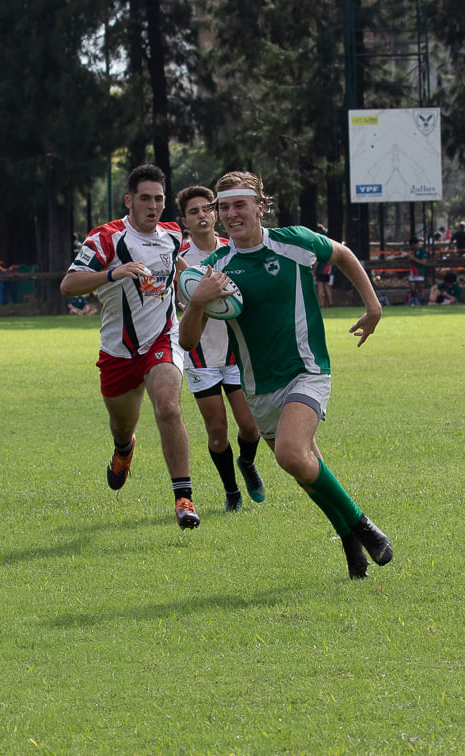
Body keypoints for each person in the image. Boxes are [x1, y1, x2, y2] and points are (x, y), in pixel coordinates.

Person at [179, 170, 393, 579]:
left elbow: (343, 254)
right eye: (224, 207)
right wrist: (197, 302)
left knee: (291, 455)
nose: (231, 214)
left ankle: (363, 526)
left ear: (260, 207)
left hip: (306, 371)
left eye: (240, 205)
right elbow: (188, 341)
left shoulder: (293, 242)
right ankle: (350, 543)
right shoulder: (214, 268)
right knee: (305, 469)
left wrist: (373, 306)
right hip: (258, 388)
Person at [60, 164, 200, 530]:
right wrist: (112, 273)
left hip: (163, 340)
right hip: (118, 352)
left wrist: (195, 288)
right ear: (129, 200)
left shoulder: (172, 235)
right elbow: (68, 285)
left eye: (159, 199)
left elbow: (178, 268)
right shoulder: (106, 238)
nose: (153, 206)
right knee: (122, 427)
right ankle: (124, 450)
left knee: (168, 406)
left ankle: (183, 498)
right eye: (145, 198)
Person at [176, 184, 266, 512]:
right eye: (193, 212)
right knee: (217, 431)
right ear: (185, 221)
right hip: (200, 353)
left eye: (206, 209)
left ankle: (247, 462)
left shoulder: (233, 250)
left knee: (251, 426)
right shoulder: (177, 259)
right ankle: (232, 493)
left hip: (235, 350)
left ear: (215, 214)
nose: (202, 216)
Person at [407, 235, 430, 301]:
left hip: (419, 271)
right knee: (412, 286)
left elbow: (424, 262)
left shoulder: (422, 250)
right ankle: (414, 300)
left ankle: (422, 300)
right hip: (413, 270)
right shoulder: (414, 251)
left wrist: (414, 259)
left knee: (420, 287)